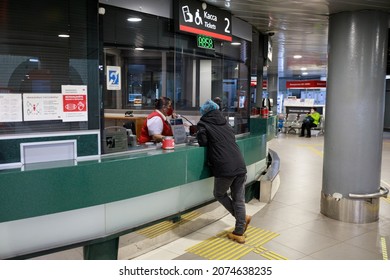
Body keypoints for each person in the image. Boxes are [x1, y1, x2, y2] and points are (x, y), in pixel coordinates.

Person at [196, 99, 251, 244]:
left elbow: (203, 143)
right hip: (239, 163)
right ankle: (239, 230)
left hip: (224, 166)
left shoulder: (203, 124)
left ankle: (241, 220)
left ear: (204, 111)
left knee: (219, 193)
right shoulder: (225, 122)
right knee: (239, 198)